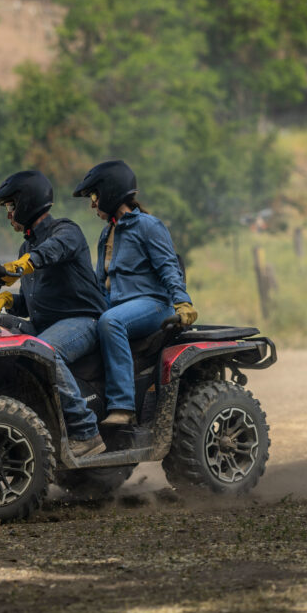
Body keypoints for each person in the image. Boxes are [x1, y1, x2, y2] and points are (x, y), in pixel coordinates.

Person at [0, 170, 107, 458]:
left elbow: (51, 252)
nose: (9, 215)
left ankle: (86, 433)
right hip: (45, 324)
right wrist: (8, 302)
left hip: (84, 321)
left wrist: (22, 265)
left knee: (45, 351)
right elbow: (34, 303)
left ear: (28, 202)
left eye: (11, 206)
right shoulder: (26, 247)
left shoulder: (65, 231)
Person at [72, 160, 198, 426]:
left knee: (111, 321)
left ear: (110, 192)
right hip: (117, 306)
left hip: (153, 305)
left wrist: (182, 302)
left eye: (94, 196)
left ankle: (123, 407)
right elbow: (99, 282)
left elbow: (168, 268)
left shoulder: (148, 226)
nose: (92, 204)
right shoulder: (106, 233)